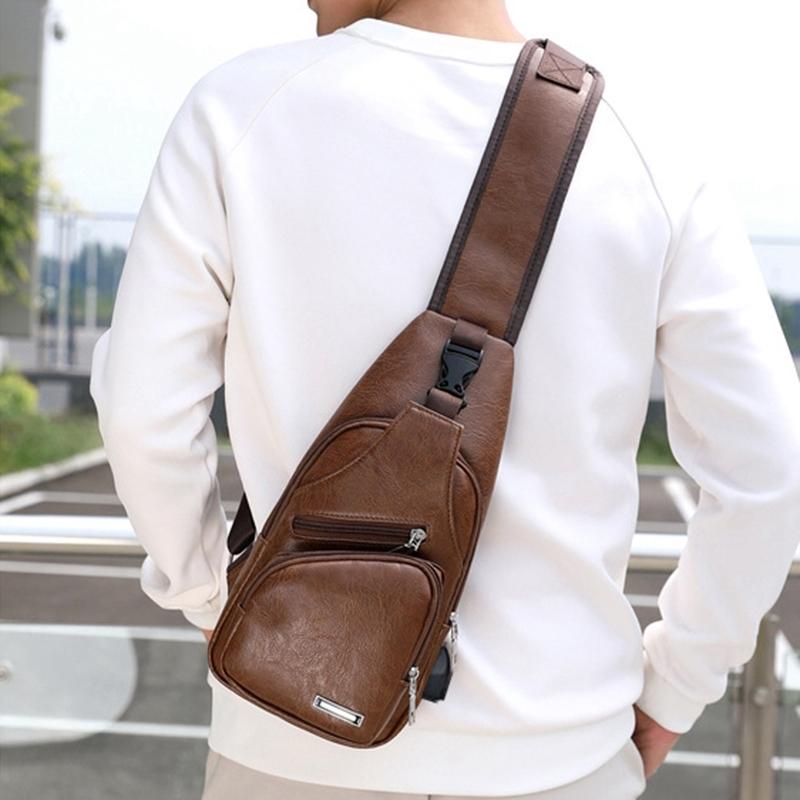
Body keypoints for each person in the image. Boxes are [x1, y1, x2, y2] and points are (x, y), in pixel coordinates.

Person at [89, 1, 800, 798]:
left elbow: (142, 415)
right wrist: (677, 683)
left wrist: (218, 603)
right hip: (560, 752)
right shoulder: (647, 147)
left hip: (288, 736)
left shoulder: (239, 109)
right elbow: (768, 465)